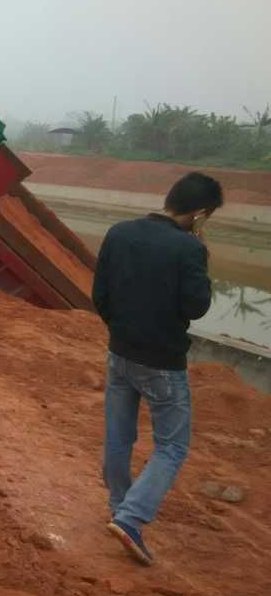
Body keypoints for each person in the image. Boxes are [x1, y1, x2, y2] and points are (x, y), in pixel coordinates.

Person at [93, 172, 222, 566]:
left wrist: (121, 330)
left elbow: (101, 295)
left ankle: (119, 506)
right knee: (172, 445)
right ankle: (130, 519)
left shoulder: (119, 232)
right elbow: (196, 307)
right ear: (200, 213)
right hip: (163, 363)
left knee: (119, 433)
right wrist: (202, 254)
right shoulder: (188, 248)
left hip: (120, 352)